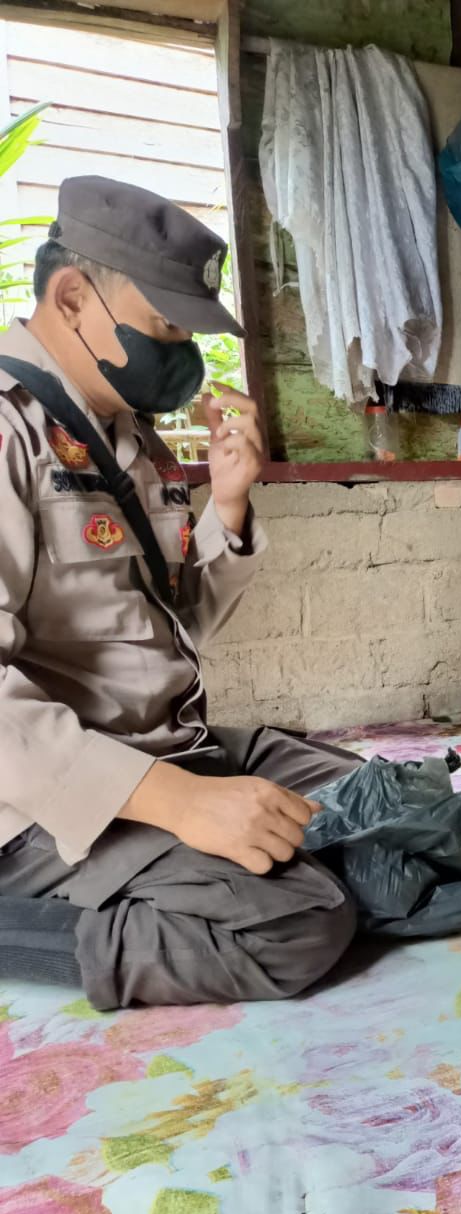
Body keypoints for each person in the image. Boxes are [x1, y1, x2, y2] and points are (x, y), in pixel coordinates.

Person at [0, 176, 358, 1009]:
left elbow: (176, 620)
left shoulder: (129, 436)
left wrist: (227, 505)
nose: (183, 351)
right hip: (50, 795)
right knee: (300, 923)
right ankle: (36, 934)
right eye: (166, 324)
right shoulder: (8, 431)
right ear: (73, 298)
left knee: (385, 811)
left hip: (168, 746)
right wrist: (181, 804)